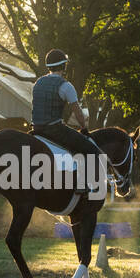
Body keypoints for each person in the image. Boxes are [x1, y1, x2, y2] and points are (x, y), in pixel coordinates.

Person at [31, 48, 101, 192]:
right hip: (54, 129)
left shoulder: (38, 83)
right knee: (91, 150)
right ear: (64, 66)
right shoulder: (66, 86)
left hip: (36, 129)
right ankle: (83, 185)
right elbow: (78, 113)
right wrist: (84, 128)